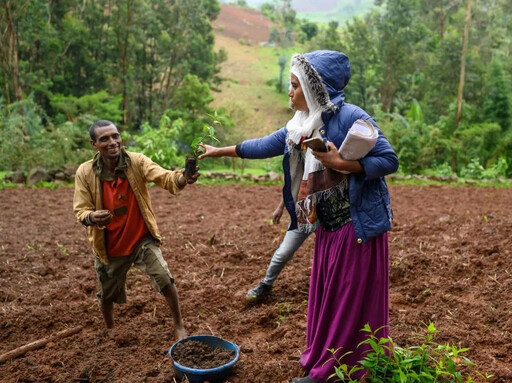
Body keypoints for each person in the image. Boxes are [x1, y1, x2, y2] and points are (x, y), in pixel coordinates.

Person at [199, 50, 399, 382]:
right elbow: (262, 145)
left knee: (348, 300)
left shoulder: (350, 116)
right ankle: (324, 355)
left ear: (313, 87)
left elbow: (388, 160)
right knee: (330, 298)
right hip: (329, 227)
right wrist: (217, 151)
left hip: (356, 226)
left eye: (294, 86)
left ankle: (334, 372)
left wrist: (342, 165)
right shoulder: (300, 126)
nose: (289, 92)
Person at [73, 120, 199, 341]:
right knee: (106, 294)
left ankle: (179, 325)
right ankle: (110, 329)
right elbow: (81, 209)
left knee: (164, 277)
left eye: (115, 136)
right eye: (104, 139)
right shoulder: (85, 172)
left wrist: (182, 177)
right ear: (94, 144)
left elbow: (165, 177)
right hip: (109, 245)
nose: (112, 142)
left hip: (141, 239)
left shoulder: (137, 161)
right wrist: (92, 217)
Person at [246, 199, 312, 302]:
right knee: (284, 253)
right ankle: (266, 284)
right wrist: (280, 207)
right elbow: (291, 185)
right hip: (304, 215)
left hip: (330, 216)